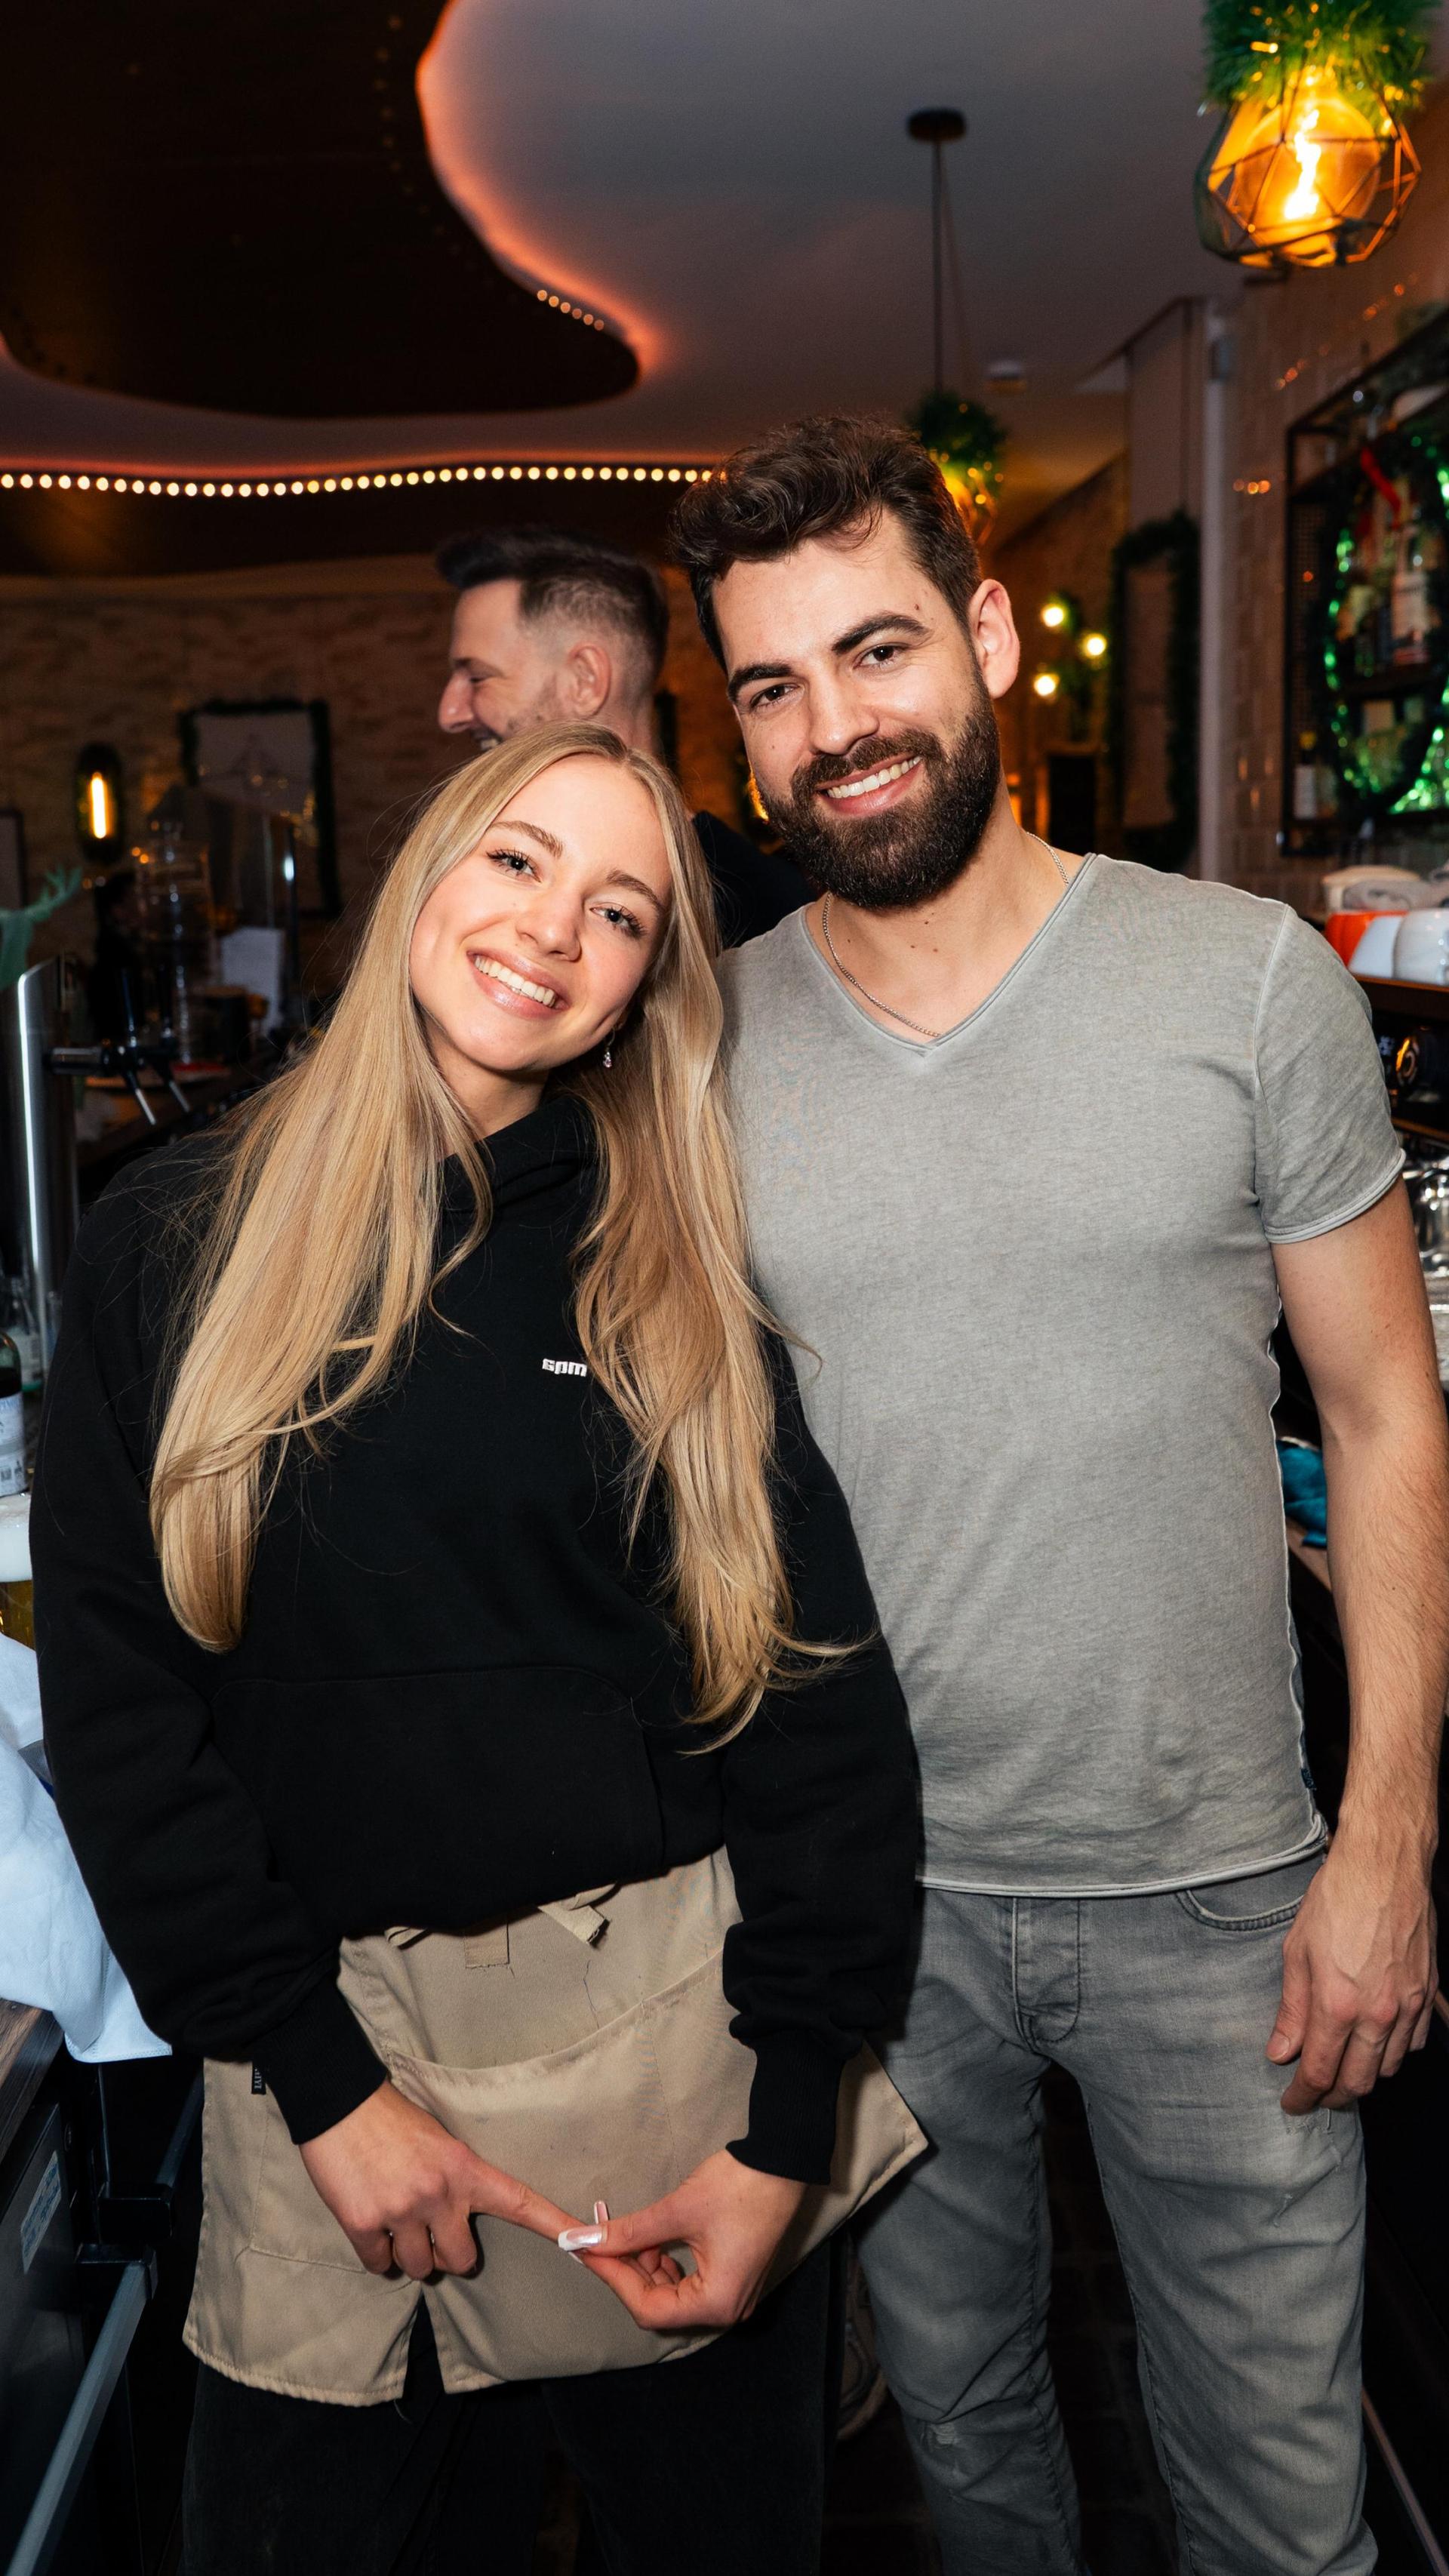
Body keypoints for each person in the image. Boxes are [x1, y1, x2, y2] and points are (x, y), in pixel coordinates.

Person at [672, 415, 1449, 2576]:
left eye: (878, 650)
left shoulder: (1244, 982)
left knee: (1284, 2504)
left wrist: (1389, 1837)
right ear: (733, 729)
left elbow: (1388, 1412)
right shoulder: (703, 1051)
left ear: (993, 637)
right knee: (972, 2458)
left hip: (1227, 1892)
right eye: (773, 685)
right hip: (877, 1906)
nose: (838, 727)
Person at [33, 722, 921, 2576]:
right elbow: (128, 1720)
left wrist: (782, 2136)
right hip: (320, 2080)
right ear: (429, 866)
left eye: (620, 910)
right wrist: (326, 2092)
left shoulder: (659, 1270)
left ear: (637, 996)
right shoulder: (168, 1242)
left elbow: (815, 1703)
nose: (553, 930)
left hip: (667, 2068)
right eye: (518, 859)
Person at [436, 524, 808, 945]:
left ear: (584, 680)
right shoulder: (468, 872)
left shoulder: (768, 918)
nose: (449, 713)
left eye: (479, 677)